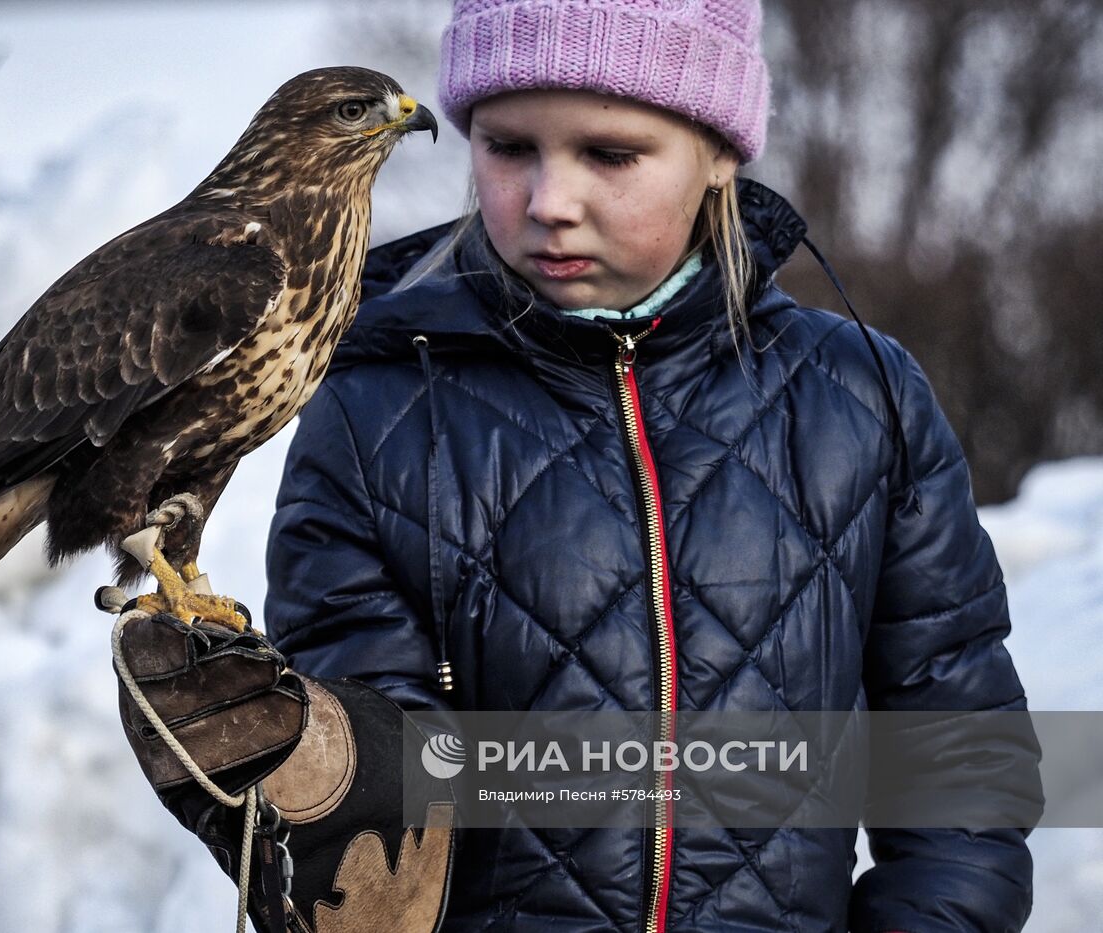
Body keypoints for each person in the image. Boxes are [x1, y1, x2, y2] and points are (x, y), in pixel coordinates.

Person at [113, 1, 1040, 930]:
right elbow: (395, 783)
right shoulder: (374, 407)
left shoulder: (861, 394)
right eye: (509, 147)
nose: (551, 201)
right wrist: (322, 784)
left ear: (720, 151)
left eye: (610, 154)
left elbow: (955, 755)